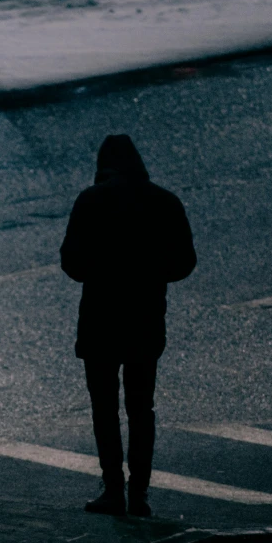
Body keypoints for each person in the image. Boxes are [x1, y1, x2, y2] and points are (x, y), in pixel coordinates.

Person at [60, 134, 196, 517]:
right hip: (144, 318)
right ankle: (139, 492)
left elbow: (71, 262)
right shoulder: (164, 202)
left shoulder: (91, 200)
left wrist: (102, 271)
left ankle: (112, 487)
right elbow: (185, 262)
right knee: (141, 407)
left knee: (104, 406)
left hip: (101, 319)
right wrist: (150, 273)